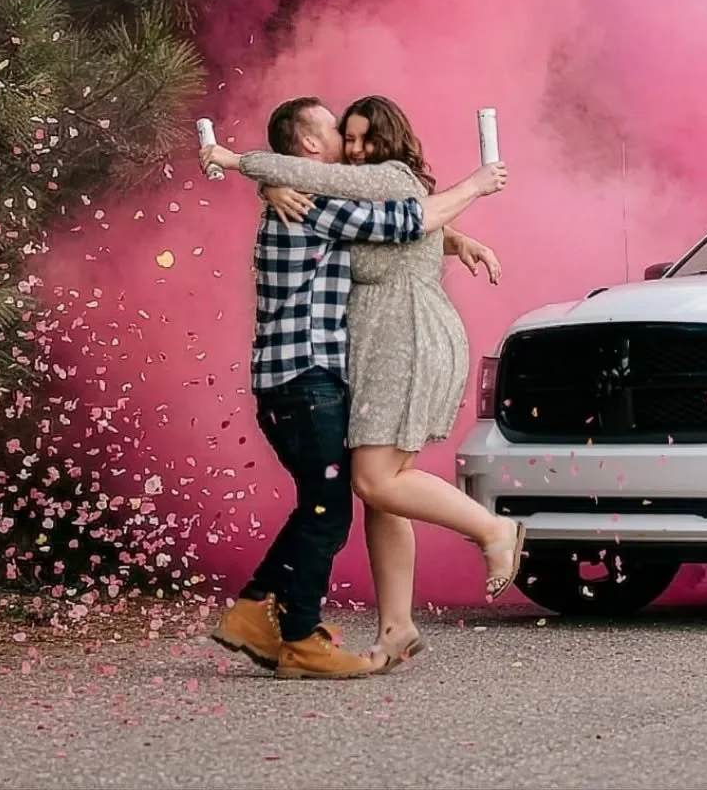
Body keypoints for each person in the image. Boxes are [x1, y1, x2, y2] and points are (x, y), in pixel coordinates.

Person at [204, 95, 525, 673]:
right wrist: (252, 173)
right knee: (343, 500)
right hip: (312, 374)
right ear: (308, 146)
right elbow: (398, 222)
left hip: (363, 355)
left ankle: (300, 621)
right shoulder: (314, 199)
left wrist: (462, 217)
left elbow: (404, 216)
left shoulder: (353, 188)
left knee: (361, 490)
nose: (350, 149)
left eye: (359, 139)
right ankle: (292, 622)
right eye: (339, 135)